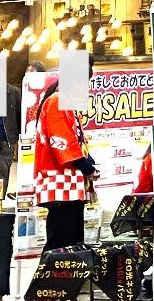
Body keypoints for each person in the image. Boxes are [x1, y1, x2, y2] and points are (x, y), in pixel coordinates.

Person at [33, 76, 97, 251]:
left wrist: (89, 164)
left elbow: (76, 143)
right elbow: (62, 143)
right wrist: (87, 167)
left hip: (70, 182)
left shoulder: (65, 101)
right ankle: (51, 270)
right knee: (61, 243)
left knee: (72, 244)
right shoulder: (58, 101)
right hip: (60, 181)